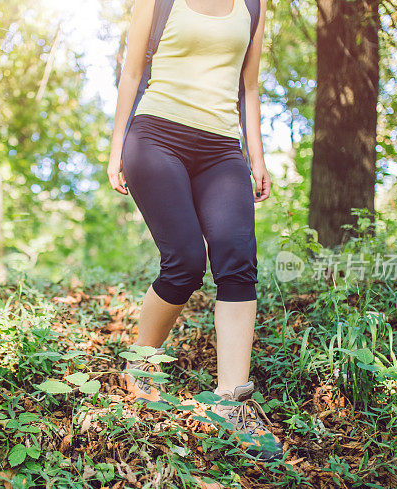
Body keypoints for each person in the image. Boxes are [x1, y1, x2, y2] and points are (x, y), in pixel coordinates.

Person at [107, 0, 282, 461]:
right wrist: (114, 149)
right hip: (156, 136)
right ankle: (142, 364)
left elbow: (249, 86)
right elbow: (130, 75)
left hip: (221, 148)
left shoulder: (254, 6)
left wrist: (257, 157)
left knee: (237, 257)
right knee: (185, 259)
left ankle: (231, 401)